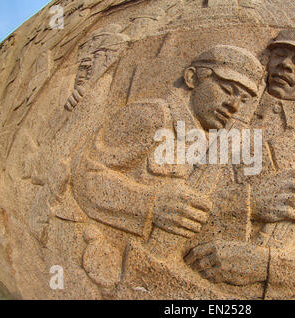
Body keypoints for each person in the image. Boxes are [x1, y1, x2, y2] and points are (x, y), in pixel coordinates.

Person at [185, 30, 295, 299]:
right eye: (279, 55)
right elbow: (182, 195)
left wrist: (262, 265)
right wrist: (248, 202)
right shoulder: (226, 112)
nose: (285, 65)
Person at [70, 45, 265, 256]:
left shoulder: (215, 143)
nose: (234, 106)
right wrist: (151, 204)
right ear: (192, 78)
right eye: (227, 90)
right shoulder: (152, 116)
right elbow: (83, 174)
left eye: (243, 100)